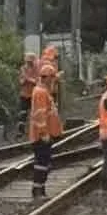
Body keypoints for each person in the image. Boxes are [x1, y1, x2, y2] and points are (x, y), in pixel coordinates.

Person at [29, 62, 63, 198]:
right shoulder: (41, 92)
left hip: (45, 134)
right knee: (42, 163)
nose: (54, 81)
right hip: (41, 135)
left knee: (44, 162)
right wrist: (43, 133)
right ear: (47, 78)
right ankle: (37, 191)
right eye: (52, 78)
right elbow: (40, 115)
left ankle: (40, 190)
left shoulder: (43, 91)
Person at [17, 53, 40, 138]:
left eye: (30, 61)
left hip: (34, 94)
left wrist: (28, 79)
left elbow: (37, 81)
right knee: (22, 113)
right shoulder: (23, 68)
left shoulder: (37, 69)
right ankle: (21, 132)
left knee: (36, 113)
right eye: (27, 61)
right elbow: (21, 81)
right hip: (24, 94)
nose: (29, 63)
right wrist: (26, 80)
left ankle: (36, 131)